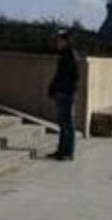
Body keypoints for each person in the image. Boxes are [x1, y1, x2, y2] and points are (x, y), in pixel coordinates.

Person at [46, 30, 80, 161]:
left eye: (59, 40)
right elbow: (59, 75)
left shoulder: (70, 56)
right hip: (62, 92)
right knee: (63, 123)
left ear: (66, 41)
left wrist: (64, 89)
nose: (57, 43)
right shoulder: (64, 55)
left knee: (68, 124)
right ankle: (61, 150)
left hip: (66, 93)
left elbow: (73, 77)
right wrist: (53, 87)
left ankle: (68, 152)